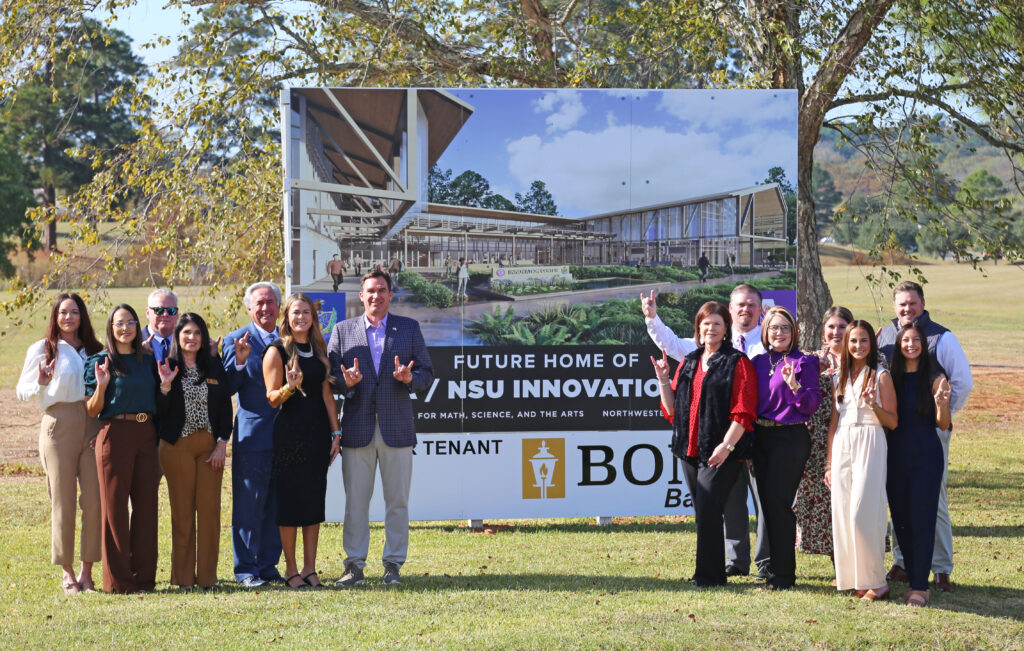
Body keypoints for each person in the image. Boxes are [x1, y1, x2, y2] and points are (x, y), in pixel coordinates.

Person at [328, 270, 434, 586]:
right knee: (355, 503)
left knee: (397, 502)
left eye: (382, 290)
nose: (376, 296)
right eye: (370, 291)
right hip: (357, 429)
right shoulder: (342, 330)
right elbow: (330, 379)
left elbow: (427, 373)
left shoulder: (409, 329)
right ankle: (354, 566)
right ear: (361, 296)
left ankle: (393, 566)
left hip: (397, 429)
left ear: (391, 295)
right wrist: (344, 382)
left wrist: (409, 379)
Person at [651, 301, 757, 587]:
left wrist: (726, 447)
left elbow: (744, 412)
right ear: (698, 328)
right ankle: (707, 572)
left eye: (717, 323)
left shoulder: (738, 363)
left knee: (710, 508)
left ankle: (710, 577)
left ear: (726, 330)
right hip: (689, 450)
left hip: (722, 451)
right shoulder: (689, 362)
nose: (711, 328)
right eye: (705, 323)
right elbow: (672, 410)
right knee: (703, 512)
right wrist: (662, 380)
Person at [878, 281, 972, 593]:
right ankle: (903, 562)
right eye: (901, 304)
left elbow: (962, 382)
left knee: (935, 503)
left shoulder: (942, 337)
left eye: (912, 304)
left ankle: (941, 567)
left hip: (930, 432)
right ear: (895, 307)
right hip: (893, 432)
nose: (907, 309)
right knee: (900, 498)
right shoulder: (885, 336)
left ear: (923, 304)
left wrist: (941, 418)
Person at [17, 293, 105, 594]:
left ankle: (87, 572)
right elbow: (22, 390)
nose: (69, 318)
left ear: (83, 316)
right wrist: (41, 382)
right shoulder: (43, 349)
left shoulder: (96, 349)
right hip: (58, 425)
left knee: (94, 500)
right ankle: (67, 572)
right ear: (55, 316)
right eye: (63, 312)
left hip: (93, 423)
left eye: (75, 312)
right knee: (62, 501)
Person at [262, 294, 341, 589]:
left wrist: (336, 433)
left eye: (306, 312)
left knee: (313, 501)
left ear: (313, 318)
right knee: (290, 503)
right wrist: (289, 387)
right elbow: (271, 399)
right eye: (296, 312)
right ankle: (292, 570)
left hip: (318, 436)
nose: (301, 317)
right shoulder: (276, 351)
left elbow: (326, 395)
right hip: (289, 436)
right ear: (287, 317)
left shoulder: (319, 349)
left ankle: (310, 568)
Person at [83, 304, 160, 594]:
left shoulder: (147, 360)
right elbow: (92, 410)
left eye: (130, 322)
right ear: (111, 328)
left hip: (146, 432)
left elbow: (157, 394)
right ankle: (119, 581)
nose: (125, 327)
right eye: (119, 323)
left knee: (146, 507)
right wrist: (102, 386)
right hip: (114, 433)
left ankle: (144, 579)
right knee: (114, 508)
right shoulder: (99, 361)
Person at [155, 313, 233, 591]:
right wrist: (164, 386)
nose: (192, 338)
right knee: (183, 512)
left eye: (197, 333)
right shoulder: (166, 365)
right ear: (177, 336)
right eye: (186, 332)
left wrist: (222, 444)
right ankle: (184, 578)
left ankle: (208, 579)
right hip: (176, 448)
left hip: (210, 448)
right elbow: (159, 414)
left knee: (210, 511)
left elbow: (225, 408)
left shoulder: (213, 366)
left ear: (204, 337)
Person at [824, 320, 898, 602]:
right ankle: (858, 578)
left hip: (870, 442)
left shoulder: (880, 376)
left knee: (863, 512)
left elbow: (893, 421)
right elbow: (834, 424)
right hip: (843, 444)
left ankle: (878, 582)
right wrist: (830, 463)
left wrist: (874, 405)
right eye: (853, 341)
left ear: (872, 344)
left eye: (863, 340)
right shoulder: (839, 378)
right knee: (843, 513)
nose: (857, 346)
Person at [750, 306, 822, 590]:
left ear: (793, 333)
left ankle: (784, 576)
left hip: (790, 438)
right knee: (767, 506)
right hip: (761, 437)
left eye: (785, 328)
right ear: (765, 331)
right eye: (774, 327)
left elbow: (811, 406)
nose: (779, 333)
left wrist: (794, 385)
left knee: (779, 505)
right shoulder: (756, 362)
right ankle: (774, 569)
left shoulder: (804, 362)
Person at [223, 281, 284, 587]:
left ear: (278, 306)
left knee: (276, 503)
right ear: (249, 308)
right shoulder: (236, 340)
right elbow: (226, 388)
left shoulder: (289, 341)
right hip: (253, 436)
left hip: (286, 437)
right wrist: (242, 359)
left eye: (270, 302)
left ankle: (268, 565)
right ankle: (246, 569)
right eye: (259, 303)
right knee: (249, 504)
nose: (265, 308)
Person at [887, 323, 951, 607]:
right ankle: (914, 578)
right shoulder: (892, 376)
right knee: (900, 519)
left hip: (926, 455)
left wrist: (942, 403)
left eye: (916, 340)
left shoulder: (936, 377)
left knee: (922, 519)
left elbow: (943, 424)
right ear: (899, 344)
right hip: (895, 455)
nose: (911, 344)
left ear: (924, 345)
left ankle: (919, 587)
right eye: (906, 340)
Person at [794, 306, 853, 566]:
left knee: (852, 499)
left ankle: (858, 560)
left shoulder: (863, 356)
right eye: (831, 326)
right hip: (816, 441)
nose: (836, 332)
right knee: (824, 500)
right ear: (823, 331)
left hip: (853, 437)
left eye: (842, 326)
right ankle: (837, 562)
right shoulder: (810, 359)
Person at [724, 284, 768, 579]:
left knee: (765, 502)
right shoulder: (716, 344)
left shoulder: (769, 344)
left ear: (760, 311)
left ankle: (766, 562)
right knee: (732, 502)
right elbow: (675, 345)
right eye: (740, 304)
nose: (746, 309)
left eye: (752, 305)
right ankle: (736, 562)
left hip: (762, 435)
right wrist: (652, 320)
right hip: (729, 435)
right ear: (731, 309)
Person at [142, 288, 179, 363]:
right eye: (159, 310)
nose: (165, 314)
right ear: (148, 313)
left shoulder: (186, 342)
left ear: (177, 314)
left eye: (171, 310)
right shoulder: (135, 341)